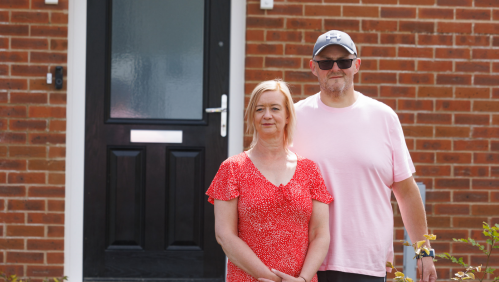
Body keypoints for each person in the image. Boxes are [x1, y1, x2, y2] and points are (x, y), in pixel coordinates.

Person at [290, 30, 438, 282]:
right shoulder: (294, 117)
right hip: (305, 263)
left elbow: (406, 191)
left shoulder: (383, 117)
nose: (335, 68)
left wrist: (424, 251)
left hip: (365, 263)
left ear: (356, 65)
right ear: (313, 68)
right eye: (326, 62)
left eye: (344, 61)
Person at [206, 80, 334, 282]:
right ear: (252, 116)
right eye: (259, 109)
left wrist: (302, 279)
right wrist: (270, 279)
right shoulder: (232, 168)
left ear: (287, 116)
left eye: (275, 108)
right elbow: (225, 235)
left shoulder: (309, 170)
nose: (267, 115)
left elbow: (320, 233)